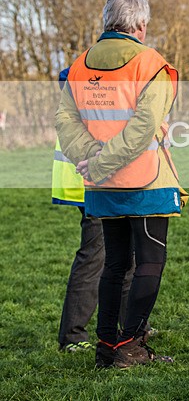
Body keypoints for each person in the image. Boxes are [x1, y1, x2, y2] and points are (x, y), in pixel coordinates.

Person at [55, 0, 187, 369]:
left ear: (106, 21)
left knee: (114, 264)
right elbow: (143, 127)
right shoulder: (151, 64)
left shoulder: (80, 64)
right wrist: (102, 162)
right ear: (141, 25)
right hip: (144, 180)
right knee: (149, 261)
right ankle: (130, 347)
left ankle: (105, 347)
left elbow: (65, 119)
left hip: (101, 185)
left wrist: (91, 159)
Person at [53, 68, 152, 354]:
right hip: (93, 182)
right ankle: (73, 335)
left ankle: (129, 326)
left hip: (114, 180)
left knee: (125, 255)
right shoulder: (88, 78)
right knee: (96, 256)